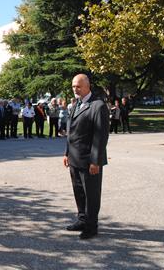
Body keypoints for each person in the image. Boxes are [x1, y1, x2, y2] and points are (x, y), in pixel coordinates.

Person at [63, 74, 109, 240]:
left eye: (79, 86)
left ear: (88, 86)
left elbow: (100, 136)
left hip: (90, 161)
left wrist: (95, 161)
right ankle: (82, 220)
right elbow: (72, 132)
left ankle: (91, 226)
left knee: (91, 194)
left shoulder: (98, 106)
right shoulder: (76, 104)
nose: (75, 89)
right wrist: (67, 152)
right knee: (79, 192)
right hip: (75, 158)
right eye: (73, 86)